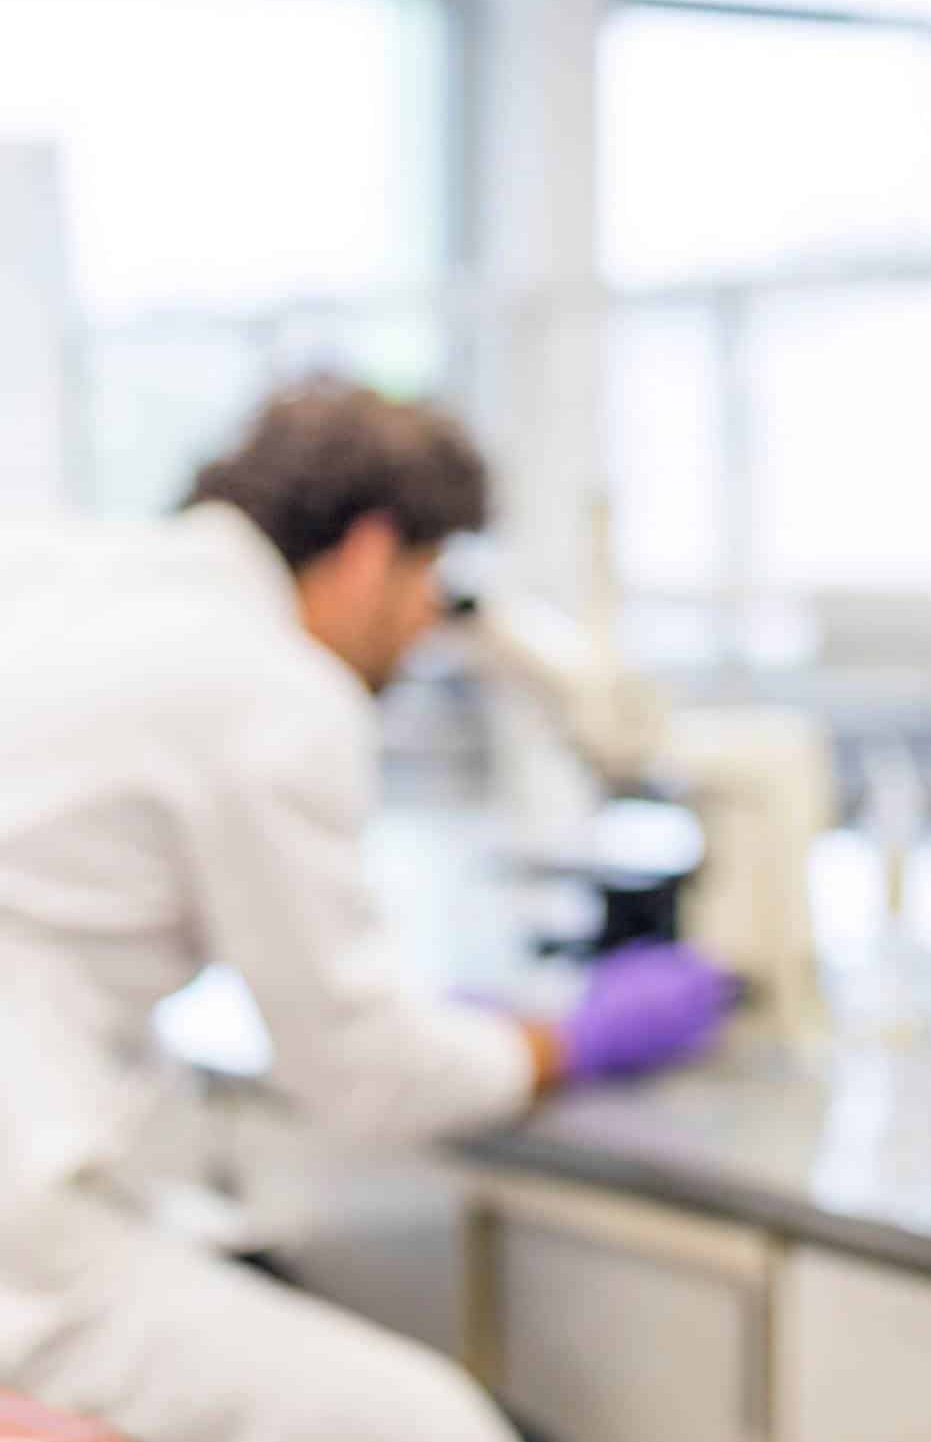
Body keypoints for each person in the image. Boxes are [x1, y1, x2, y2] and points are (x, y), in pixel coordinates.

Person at [0, 381, 727, 1442]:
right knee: (436, 1424)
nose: (426, 625)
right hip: (26, 1247)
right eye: (426, 581)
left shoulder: (70, 576)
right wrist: (562, 1039)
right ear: (370, 549)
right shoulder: (275, 687)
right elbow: (360, 1069)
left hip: (42, 1180)